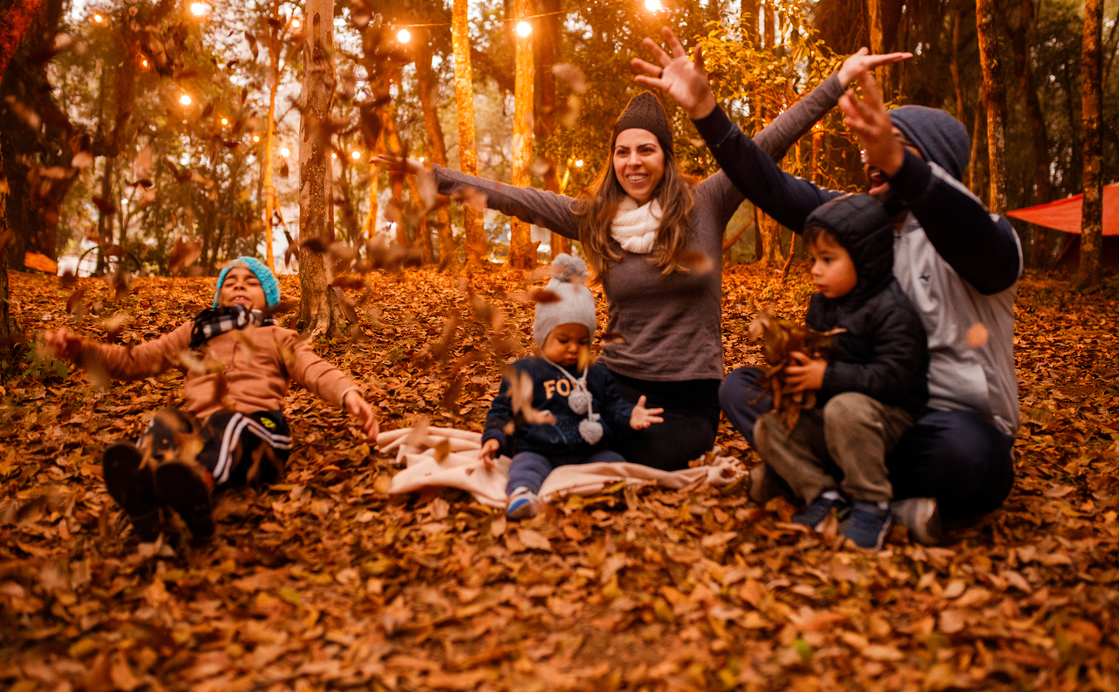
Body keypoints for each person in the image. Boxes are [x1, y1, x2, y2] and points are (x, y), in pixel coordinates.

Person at [375, 49, 907, 470]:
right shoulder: (594, 216)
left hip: (688, 396)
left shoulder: (708, 202)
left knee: (639, 452)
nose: (633, 161)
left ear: (665, 156)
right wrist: (433, 176)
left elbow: (768, 140)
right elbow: (515, 197)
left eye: (646, 149)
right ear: (613, 159)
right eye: (623, 151)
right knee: (563, 424)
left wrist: (838, 81)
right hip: (613, 383)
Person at [634, 28, 1021, 536]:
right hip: (854, 409)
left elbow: (966, 230)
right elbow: (770, 185)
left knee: (978, 461)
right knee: (742, 390)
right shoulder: (861, 222)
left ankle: (822, 482)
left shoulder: (985, 235)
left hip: (942, 425)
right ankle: (854, 490)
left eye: (891, 148)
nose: (870, 160)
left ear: (934, 164)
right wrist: (706, 109)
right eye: (870, 148)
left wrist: (901, 165)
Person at [43, 257, 378, 542]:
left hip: (259, 434)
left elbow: (313, 368)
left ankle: (196, 489)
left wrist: (347, 392)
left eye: (251, 283)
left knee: (226, 423)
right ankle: (145, 493)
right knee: (166, 421)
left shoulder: (277, 335)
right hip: (198, 431)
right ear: (219, 295)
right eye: (230, 282)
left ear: (269, 298)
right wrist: (82, 352)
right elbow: (136, 360)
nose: (239, 287)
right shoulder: (197, 332)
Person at [757, 194, 928, 549]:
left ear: (864, 259)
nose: (815, 269)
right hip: (834, 414)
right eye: (814, 259)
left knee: (845, 409)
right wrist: (794, 370)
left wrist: (827, 377)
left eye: (828, 260)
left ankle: (872, 504)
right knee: (769, 426)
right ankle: (824, 496)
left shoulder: (891, 309)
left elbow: (896, 378)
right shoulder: (821, 303)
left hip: (887, 417)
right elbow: (816, 352)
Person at [480, 254, 663, 519]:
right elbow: (502, 411)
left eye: (582, 341)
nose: (573, 348)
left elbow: (612, 406)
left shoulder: (597, 373)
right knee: (524, 467)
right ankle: (522, 495)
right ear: (543, 336)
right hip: (539, 449)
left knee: (616, 464)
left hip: (589, 451)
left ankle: (617, 493)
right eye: (563, 339)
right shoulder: (525, 371)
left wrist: (629, 415)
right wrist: (493, 439)